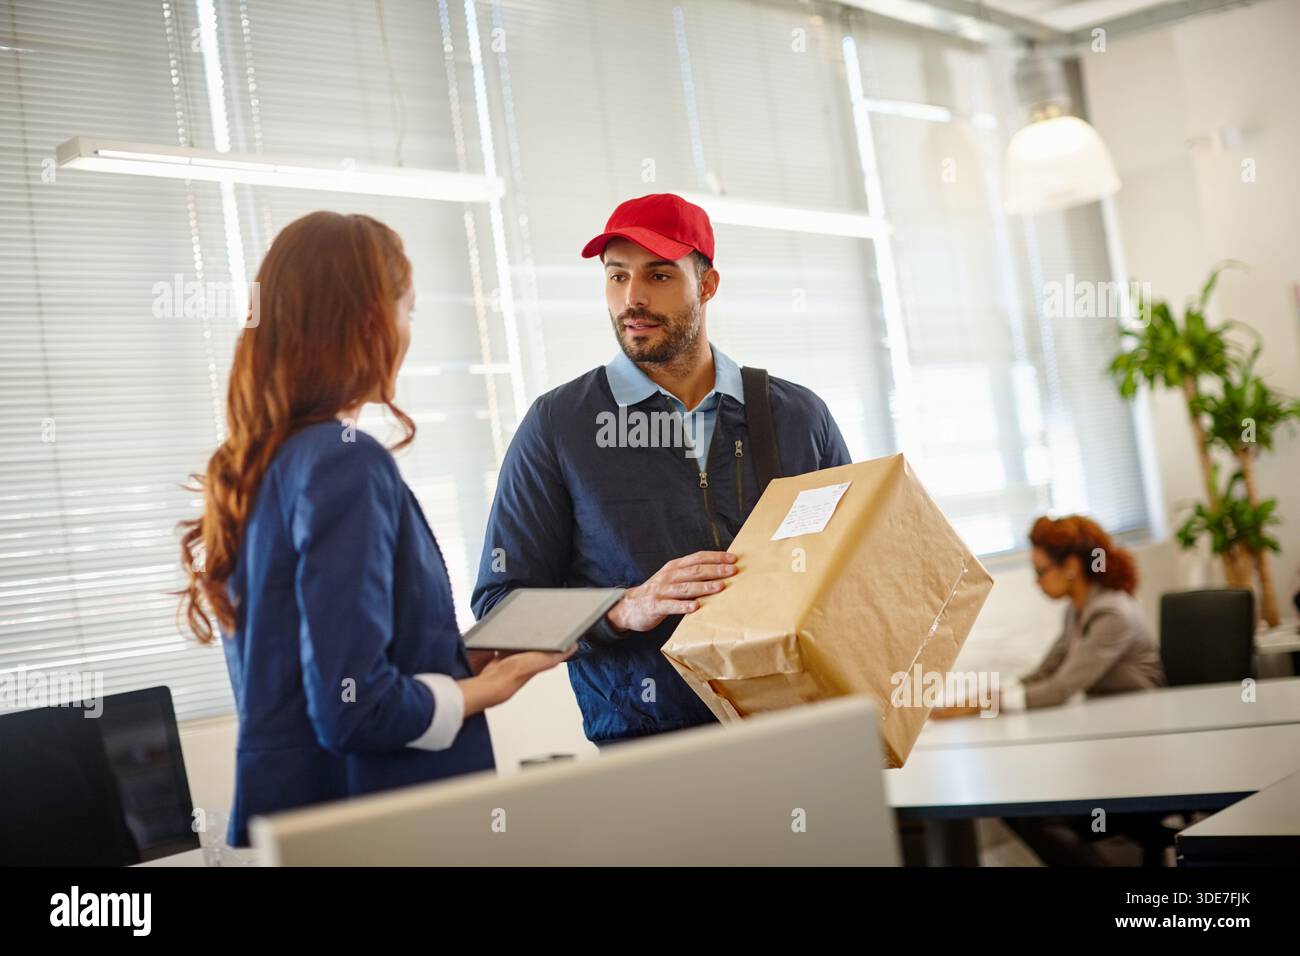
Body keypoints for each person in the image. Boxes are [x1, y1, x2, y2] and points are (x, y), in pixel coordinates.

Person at [178, 211, 569, 847]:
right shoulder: (343, 459)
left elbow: (316, 669)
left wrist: (456, 658)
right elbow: (354, 707)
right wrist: (489, 688)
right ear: (366, 322)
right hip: (381, 826)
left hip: (302, 823)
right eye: (406, 310)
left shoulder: (254, 464)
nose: (407, 332)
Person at [472, 193, 852, 748]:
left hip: (805, 729)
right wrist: (624, 607)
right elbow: (502, 610)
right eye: (616, 276)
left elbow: (855, 563)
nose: (634, 298)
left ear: (708, 283)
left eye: (659, 275)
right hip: (650, 749)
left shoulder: (795, 414)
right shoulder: (559, 425)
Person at [932, 513, 1164, 719]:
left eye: (1040, 571)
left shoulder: (1112, 614)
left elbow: (1060, 688)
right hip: (1109, 712)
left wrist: (983, 705)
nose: (1037, 581)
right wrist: (978, 698)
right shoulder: (1077, 610)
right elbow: (1046, 671)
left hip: (1145, 715)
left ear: (1071, 567)